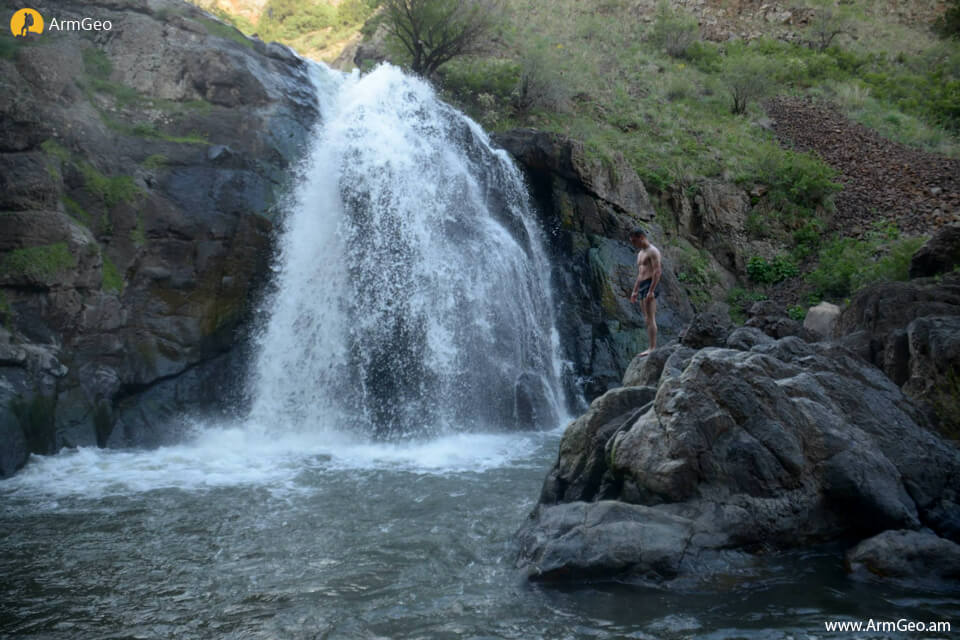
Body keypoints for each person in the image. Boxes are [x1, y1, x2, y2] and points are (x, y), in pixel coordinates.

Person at [628, 227, 662, 357]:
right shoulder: (640, 253)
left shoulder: (653, 251)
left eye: (634, 241)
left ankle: (652, 348)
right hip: (642, 285)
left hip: (650, 285)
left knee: (651, 317)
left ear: (641, 237)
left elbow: (657, 271)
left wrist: (651, 291)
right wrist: (634, 291)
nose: (633, 244)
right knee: (646, 318)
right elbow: (640, 273)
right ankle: (650, 346)